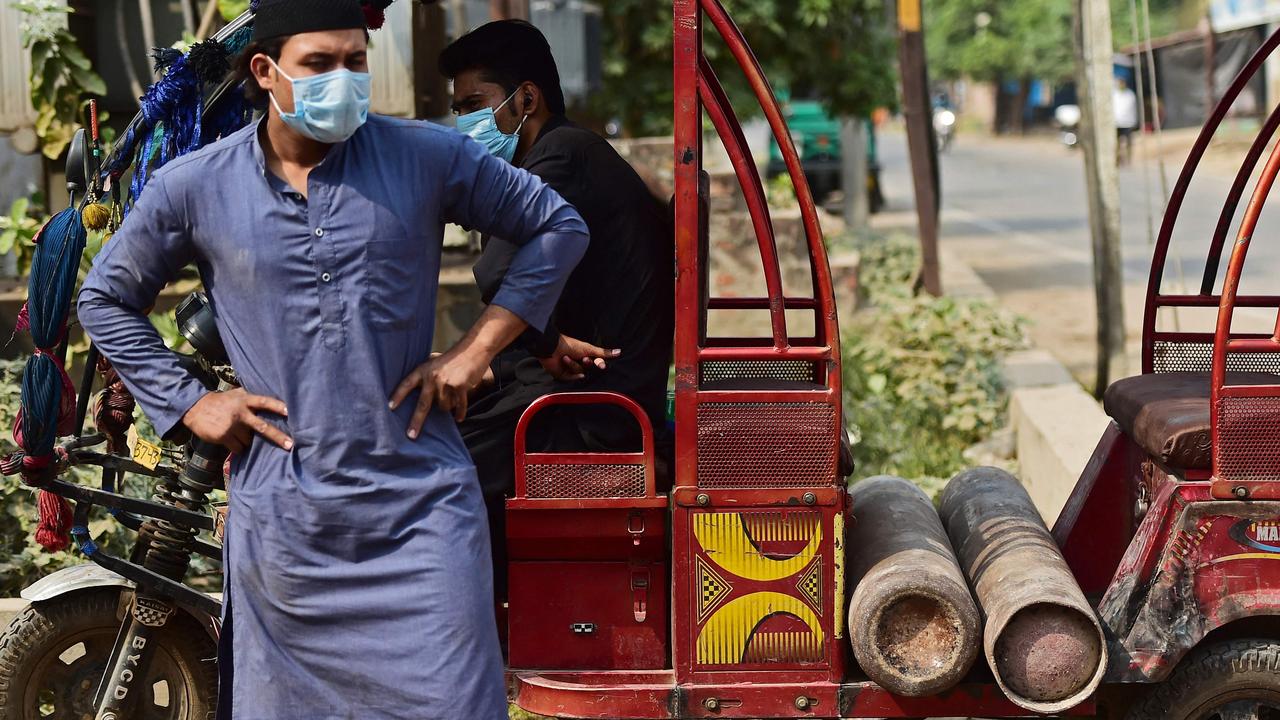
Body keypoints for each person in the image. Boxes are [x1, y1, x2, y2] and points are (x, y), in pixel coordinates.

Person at [76, 1, 589, 717]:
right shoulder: (195, 185)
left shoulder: (426, 156)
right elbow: (105, 299)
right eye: (320, 63)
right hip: (288, 527)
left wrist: (477, 349)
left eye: (355, 61)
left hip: (421, 511)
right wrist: (193, 402)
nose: (344, 79)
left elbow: (557, 226)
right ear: (267, 70)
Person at [438, 20, 674, 597]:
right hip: (575, 392)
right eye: (457, 109)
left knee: (429, 477)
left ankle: (468, 634)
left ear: (526, 98)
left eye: (474, 105)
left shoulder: (562, 157)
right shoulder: (570, 153)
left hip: (590, 413)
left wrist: (541, 345)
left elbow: (496, 273)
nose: (465, 123)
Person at [1114, 76, 1138, 165]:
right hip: (1117, 122)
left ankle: (1128, 160)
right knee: (1117, 143)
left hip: (1128, 122)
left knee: (1129, 143)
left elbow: (1134, 108)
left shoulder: (1130, 95)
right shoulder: (1114, 94)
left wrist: (1135, 120)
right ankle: (1118, 158)